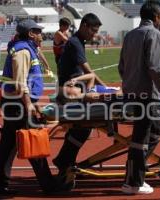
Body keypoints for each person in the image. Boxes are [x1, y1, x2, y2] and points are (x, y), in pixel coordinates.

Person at [0, 19, 60, 195]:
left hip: (15, 102)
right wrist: (29, 104)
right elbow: (20, 82)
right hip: (19, 103)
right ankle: (48, 185)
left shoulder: (26, 49)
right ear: (31, 34)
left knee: (8, 144)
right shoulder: (22, 51)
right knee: (34, 140)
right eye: (39, 32)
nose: (42, 36)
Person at [118, 1, 160, 194]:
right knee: (143, 136)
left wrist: (130, 83)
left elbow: (121, 67)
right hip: (147, 94)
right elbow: (156, 68)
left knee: (153, 131)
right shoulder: (154, 34)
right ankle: (133, 181)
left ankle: (134, 174)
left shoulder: (130, 35)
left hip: (132, 93)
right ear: (157, 16)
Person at [52, 13, 105, 191]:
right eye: (93, 30)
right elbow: (87, 69)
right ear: (83, 26)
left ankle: (65, 160)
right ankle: (64, 161)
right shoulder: (75, 43)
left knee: (81, 127)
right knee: (84, 125)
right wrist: (106, 88)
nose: (94, 34)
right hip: (70, 93)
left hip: (72, 90)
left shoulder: (77, 42)